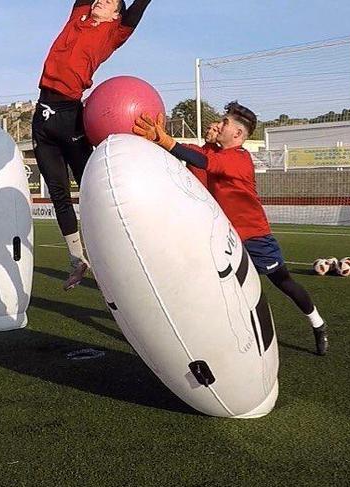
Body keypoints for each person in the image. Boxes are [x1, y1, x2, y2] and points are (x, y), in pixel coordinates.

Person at [133, 103, 329, 355]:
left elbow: (202, 161)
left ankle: (318, 324)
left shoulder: (239, 158)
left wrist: (166, 140)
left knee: (283, 282)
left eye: (224, 122)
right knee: (212, 287)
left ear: (237, 134)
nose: (218, 124)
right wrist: (165, 142)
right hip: (223, 237)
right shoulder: (215, 155)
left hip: (255, 237)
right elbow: (197, 159)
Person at [34, 0, 152, 290]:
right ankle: (77, 259)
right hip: (42, 118)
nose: (101, 0)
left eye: (110, 0)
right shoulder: (79, 16)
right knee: (59, 194)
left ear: (116, 15)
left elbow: (137, 9)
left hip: (70, 118)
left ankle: (120, 254)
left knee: (93, 191)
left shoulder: (113, 33)